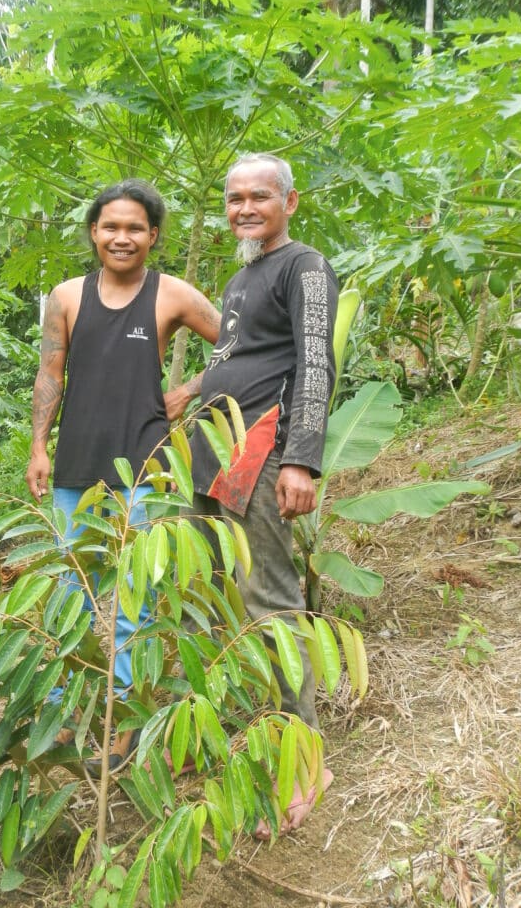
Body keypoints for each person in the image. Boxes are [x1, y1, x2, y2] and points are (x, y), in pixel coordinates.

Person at [25, 178, 221, 770]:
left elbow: (243, 345)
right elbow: (50, 374)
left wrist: (191, 388)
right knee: (72, 593)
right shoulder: (65, 296)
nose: (122, 237)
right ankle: (66, 712)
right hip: (75, 466)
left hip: (145, 469)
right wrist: (38, 445)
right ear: (93, 232)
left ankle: (122, 721)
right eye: (111, 226)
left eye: (135, 227)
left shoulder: (173, 295)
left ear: (153, 236)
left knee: (135, 597)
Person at [188, 153, 338, 837]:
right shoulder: (242, 276)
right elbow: (236, 357)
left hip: (263, 447)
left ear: (290, 202)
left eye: (259, 197)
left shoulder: (304, 266)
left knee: (273, 605)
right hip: (213, 453)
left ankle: (306, 762)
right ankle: (260, 736)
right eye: (233, 198)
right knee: (221, 601)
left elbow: (314, 359)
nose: (244, 209)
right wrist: (188, 392)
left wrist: (301, 459)